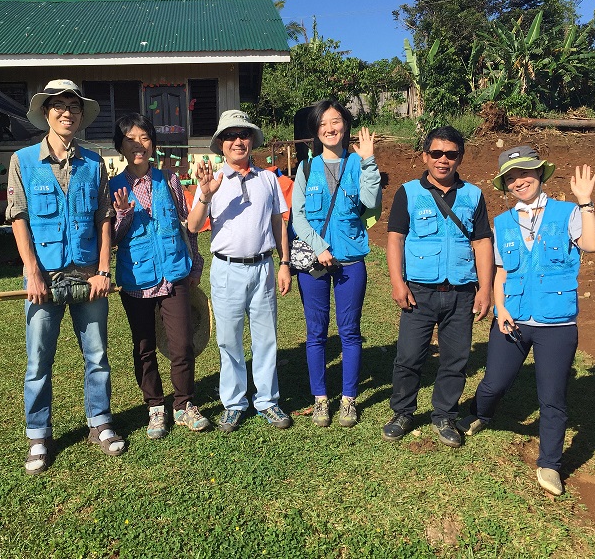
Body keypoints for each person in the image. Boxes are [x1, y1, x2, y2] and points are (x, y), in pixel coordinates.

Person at [457, 146, 595, 496]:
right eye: (511, 177)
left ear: (540, 174)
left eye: (525, 173)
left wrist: (585, 202)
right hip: (514, 318)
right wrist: (499, 307)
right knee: (494, 382)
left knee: (552, 397)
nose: (519, 180)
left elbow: (593, 245)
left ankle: (549, 463)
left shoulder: (568, 213)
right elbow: (502, 271)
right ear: (505, 185)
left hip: (557, 324)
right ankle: (482, 413)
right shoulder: (503, 222)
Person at [6, 79, 126, 474]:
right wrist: (32, 272)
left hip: (89, 276)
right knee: (38, 361)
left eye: (72, 106)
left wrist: (103, 270)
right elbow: (19, 218)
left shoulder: (95, 163)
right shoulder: (23, 161)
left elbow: (103, 219)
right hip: (44, 278)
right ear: (46, 113)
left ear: (80, 114)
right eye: (57, 106)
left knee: (98, 357)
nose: (66, 112)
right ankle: (38, 435)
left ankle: (100, 422)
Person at [383, 125, 494, 448]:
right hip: (420, 291)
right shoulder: (409, 192)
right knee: (409, 356)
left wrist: (485, 289)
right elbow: (395, 239)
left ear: (460, 158)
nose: (443, 160)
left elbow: (482, 242)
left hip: (461, 292)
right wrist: (397, 282)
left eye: (451, 154)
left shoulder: (473, 195)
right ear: (425, 156)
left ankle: (444, 415)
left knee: (456, 359)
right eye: (436, 153)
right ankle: (402, 411)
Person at [187, 109, 292, 433]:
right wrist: (205, 195)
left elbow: (279, 223)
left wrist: (285, 263)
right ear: (221, 143)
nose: (237, 141)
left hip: (263, 268)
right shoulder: (212, 182)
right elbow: (192, 226)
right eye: (230, 135)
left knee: (266, 340)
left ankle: (267, 401)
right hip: (227, 271)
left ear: (251, 140)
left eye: (243, 134)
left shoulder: (268, 179)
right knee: (229, 341)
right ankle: (233, 404)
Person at [109, 112, 211, 439]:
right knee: (144, 347)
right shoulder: (113, 187)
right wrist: (122, 213)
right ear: (120, 146)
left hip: (175, 274)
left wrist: (195, 265)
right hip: (136, 278)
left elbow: (187, 227)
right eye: (130, 139)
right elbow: (110, 239)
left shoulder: (168, 180)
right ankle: (155, 407)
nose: (139, 145)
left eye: (145, 138)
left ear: (153, 143)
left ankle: (184, 404)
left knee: (182, 344)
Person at [291, 100, 381, 427]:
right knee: (316, 333)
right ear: (316, 130)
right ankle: (319, 400)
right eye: (324, 123)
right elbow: (298, 218)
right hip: (315, 263)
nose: (330, 128)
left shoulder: (359, 163)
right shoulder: (304, 169)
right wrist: (318, 246)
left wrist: (369, 161)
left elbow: (371, 203)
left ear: (345, 125)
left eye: (336, 121)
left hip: (351, 262)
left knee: (350, 332)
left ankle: (348, 399)